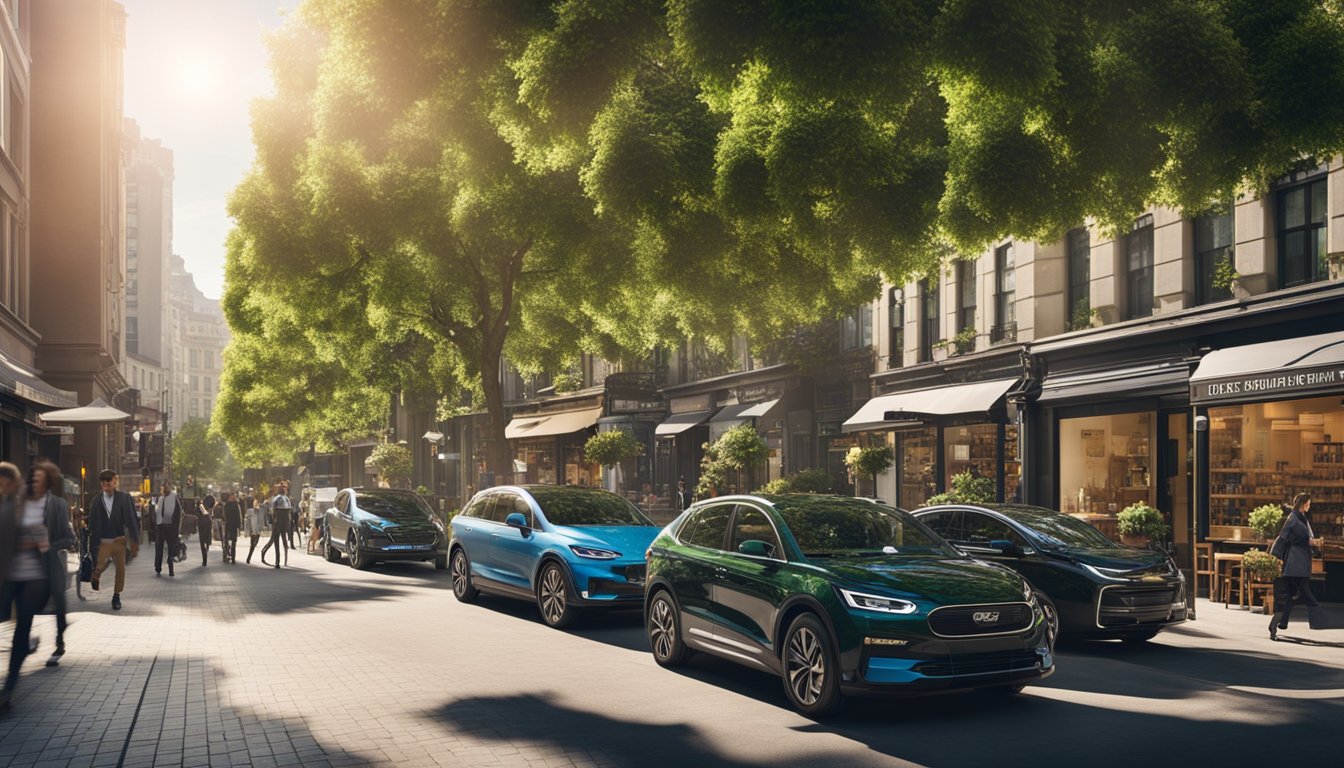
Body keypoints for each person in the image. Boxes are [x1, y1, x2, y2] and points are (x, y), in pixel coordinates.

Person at [0, 460, 76, 711]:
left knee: (25, 625)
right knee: (17, 625)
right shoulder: (15, 502)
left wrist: (45, 544)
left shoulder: (57, 505)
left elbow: (68, 537)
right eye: (33, 478)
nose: (35, 482)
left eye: (40, 479)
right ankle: (27, 646)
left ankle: (9, 688)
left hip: (38, 576)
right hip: (11, 575)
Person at [1269, 492, 1324, 640]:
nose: (1310, 505)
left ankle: (1278, 623)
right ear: (1303, 503)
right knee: (1306, 593)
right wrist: (1314, 542)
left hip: (1298, 563)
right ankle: (1323, 619)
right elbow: (1290, 538)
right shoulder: (1294, 519)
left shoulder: (1300, 518)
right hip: (1296, 565)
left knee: (1290, 596)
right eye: (1308, 503)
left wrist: (1314, 543)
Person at [88, 469, 139, 611]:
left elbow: (131, 519)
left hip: (119, 540)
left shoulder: (124, 498)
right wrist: (92, 540)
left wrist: (135, 540)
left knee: (120, 570)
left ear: (115, 482)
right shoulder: (97, 501)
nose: (106, 485)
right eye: (103, 483)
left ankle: (116, 596)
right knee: (99, 564)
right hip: (103, 541)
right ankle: (95, 575)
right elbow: (92, 523)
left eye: (109, 482)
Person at [153, 482, 183, 576]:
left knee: (171, 548)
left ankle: (171, 568)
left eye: (166, 487)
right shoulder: (160, 499)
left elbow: (178, 512)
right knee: (159, 548)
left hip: (170, 527)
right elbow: (157, 512)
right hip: (160, 526)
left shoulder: (174, 497)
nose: (164, 489)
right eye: (163, 488)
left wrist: (176, 527)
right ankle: (158, 567)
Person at [261, 481, 292, 568]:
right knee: (275, 541)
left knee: (284, 541)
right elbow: (272, 511)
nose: (285, 489)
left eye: (285, 488)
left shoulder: (287, 499)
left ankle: (284, 560)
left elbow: (289, 511)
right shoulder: (276, 499)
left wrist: (288, 522)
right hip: (278, 520)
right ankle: (276, 561)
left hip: (284, 520)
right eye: (283, 488)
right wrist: (275, 520)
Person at [221, 492, 242, 563]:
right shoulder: (235, 505)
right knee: (233, 542)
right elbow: (238, 516)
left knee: (228, 541)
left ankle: (228, 555)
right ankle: (232, 558)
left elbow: (224, 516)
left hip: (229, 525)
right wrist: (239, 526)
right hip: (233, 525)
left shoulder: (226, 506)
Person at [196, 493, 216, 566]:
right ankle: (206, 548)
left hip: (201, 524)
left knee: (202, 540)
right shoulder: (211, 508)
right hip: (208, 523)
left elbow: (197, 513)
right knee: (207, 538)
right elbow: (212, 516)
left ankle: (204, 558)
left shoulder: (201, 506)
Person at [244, 495, 263, 564]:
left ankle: (249, 557)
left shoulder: (260, 510)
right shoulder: (250, 511)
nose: (256, 504)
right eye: (255, 503)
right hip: (253, 531)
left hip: (258, 531)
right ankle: (248, 558)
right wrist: (246, 531)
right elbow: (246, 522)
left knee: (254, 544)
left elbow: (261, 520)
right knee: (252, 545)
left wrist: (261, 528)